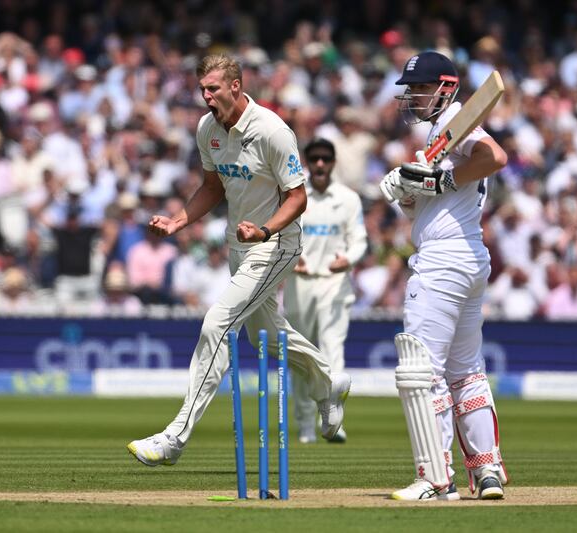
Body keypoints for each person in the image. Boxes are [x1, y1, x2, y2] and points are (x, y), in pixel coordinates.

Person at [127, 54, 351, 466]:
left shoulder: (271, 131)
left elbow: (298, 197)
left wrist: (265, 230)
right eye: (202, 90)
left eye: (213, 88)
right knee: (263, 335)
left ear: (235, 85)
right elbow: (212, 186)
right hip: (239, 245)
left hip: (277, 243)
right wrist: (179, 220)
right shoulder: (207, 129)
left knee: (218, 323)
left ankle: (174, 438)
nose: (206, 97)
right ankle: (329, 381)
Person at [378, 51, 509, 501]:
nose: (413, 96)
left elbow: (494, 156)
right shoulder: (438, 137)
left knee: (422, 371)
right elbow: (430, 199)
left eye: (420, 87)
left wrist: (441, 181)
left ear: (446, 87)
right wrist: (408, 190)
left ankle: (435, 478)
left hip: (443, 262)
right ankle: (487, 471)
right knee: (465, 371)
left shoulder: (456, 122)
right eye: (410, 89)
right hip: (470, 256)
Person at [283, 137, 367, 444]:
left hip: (334, 280)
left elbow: (359, 239)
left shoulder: (347, 198)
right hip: (300, 281)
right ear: (307, 161)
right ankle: (306, 425)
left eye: (325, 159)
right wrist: (291, 260)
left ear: (332, 163)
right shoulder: (295, 195)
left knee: (333, 351)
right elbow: (281, 234)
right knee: (303, 357)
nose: (320, 164)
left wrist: (349, 259)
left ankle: (333, 421)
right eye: (314, 158)